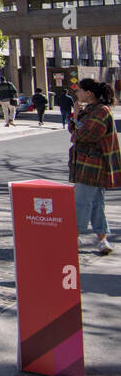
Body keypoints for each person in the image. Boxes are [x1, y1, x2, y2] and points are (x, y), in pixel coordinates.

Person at [69, 77, 119, 255]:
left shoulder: (101, 111)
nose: (77, 93)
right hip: (85, 163)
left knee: (81, 202)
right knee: (97, 203)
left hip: (93, 164)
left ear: (88, 93)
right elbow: (76, 130)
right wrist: (75, 117)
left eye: (79, 90)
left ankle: (73, 237)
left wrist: (76, 130)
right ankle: (102, 241)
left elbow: (87, 134)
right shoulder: (89, 110)